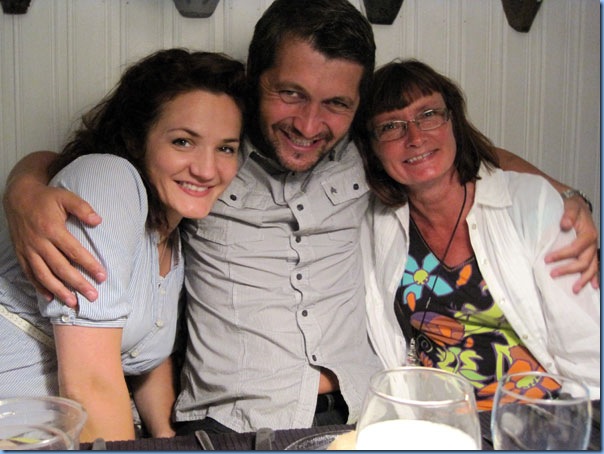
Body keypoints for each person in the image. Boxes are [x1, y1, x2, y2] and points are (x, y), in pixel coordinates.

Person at [1, 0, 599, 433]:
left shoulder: (368, 149)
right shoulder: (210, 155)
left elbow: (454, 151)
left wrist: (567, 197)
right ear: (253, 79)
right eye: (290, 94)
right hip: (232, 426)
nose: (310, 125)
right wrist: (24, 188)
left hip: (367, 417)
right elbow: (111, 158)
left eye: (336, 103)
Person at [0, 48, 245, 442]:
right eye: (183, 141)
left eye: (226, 148)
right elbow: (90, 383)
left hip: (59, 431)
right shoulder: (108, 181)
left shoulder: (172, 230)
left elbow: (146, 353)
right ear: (136, 139)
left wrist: (168, 440)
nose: (206, 169)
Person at [360, 59, 600, 410]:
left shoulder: (530, 203)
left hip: (536, 414)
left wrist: (584, 424)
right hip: (433, 417)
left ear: (453, 121)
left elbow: (585, 346)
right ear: (372, 147)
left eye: (429, 114)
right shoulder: (373, 221)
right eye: (391, 127)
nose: (415, 138)